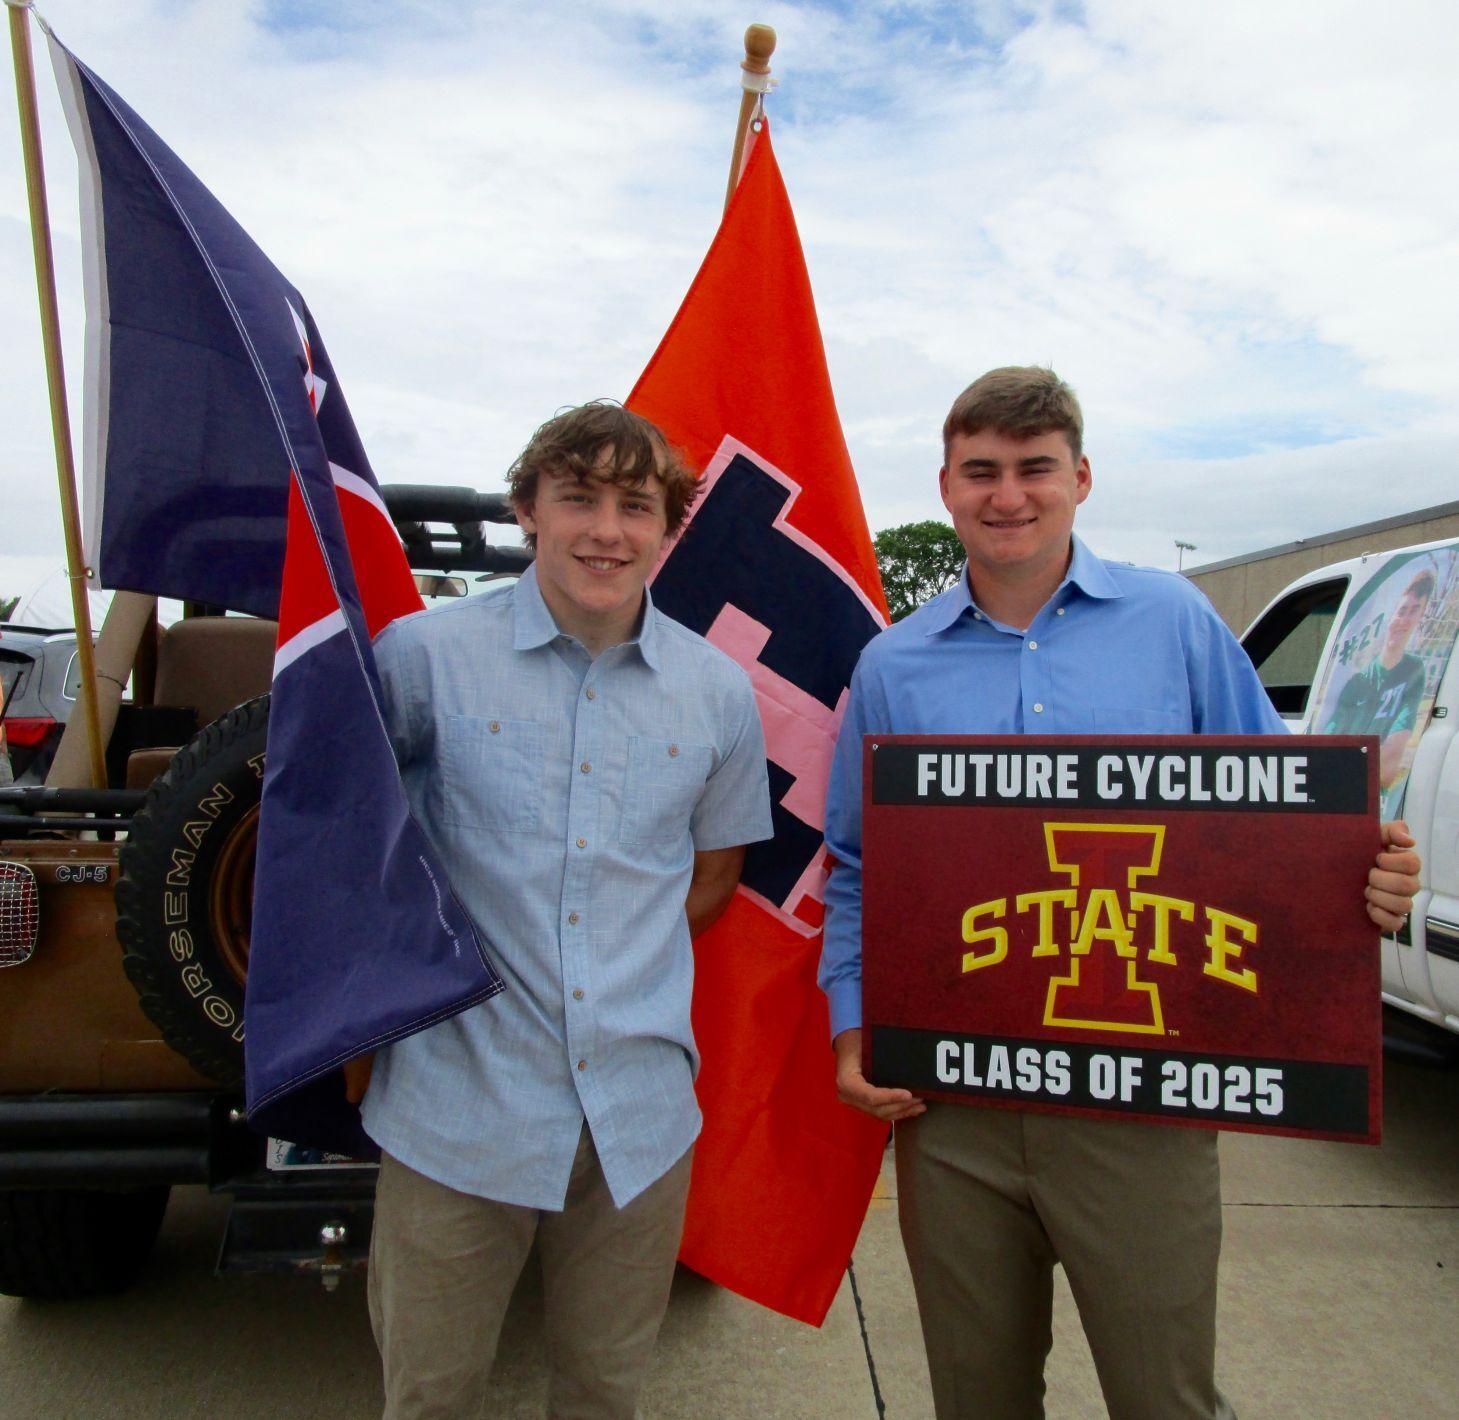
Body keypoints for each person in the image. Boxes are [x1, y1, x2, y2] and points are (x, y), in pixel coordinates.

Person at [819, 367, 1422, 1420]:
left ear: (1081, 477)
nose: (1008, 494)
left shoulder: (1173, 621)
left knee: (1165, 1398)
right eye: (981, 472)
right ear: (946, 485)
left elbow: (1278, 824)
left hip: (1141, 1091)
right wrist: (850, 1025)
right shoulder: (892, 663)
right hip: (954, 1099)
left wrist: (1367, 875)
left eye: (1034, 468)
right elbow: (860, 868)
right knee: (977, 1398)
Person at [352, 401, 773, 1419]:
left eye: (637, 505)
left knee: (603, 1395)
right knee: (430, 1396)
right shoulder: (419, 659)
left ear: (668, 525)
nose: (606, 530)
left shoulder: (718, 694)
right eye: (577, 497)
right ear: (526, 508)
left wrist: (615, 970)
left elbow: (712, 876)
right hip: (455, 1111)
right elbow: (348, 857)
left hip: (637, 1120)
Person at [1324, 569, 1434, 802]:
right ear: (1391, 615)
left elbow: (1388, 769)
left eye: (1414, 611)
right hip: (1338, 801)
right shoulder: (1355, 681)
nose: (1404, 620)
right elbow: (1323, 756)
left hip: (1379, 804)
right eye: (1402, 610)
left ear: (1421, 617)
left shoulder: (1414, 671)